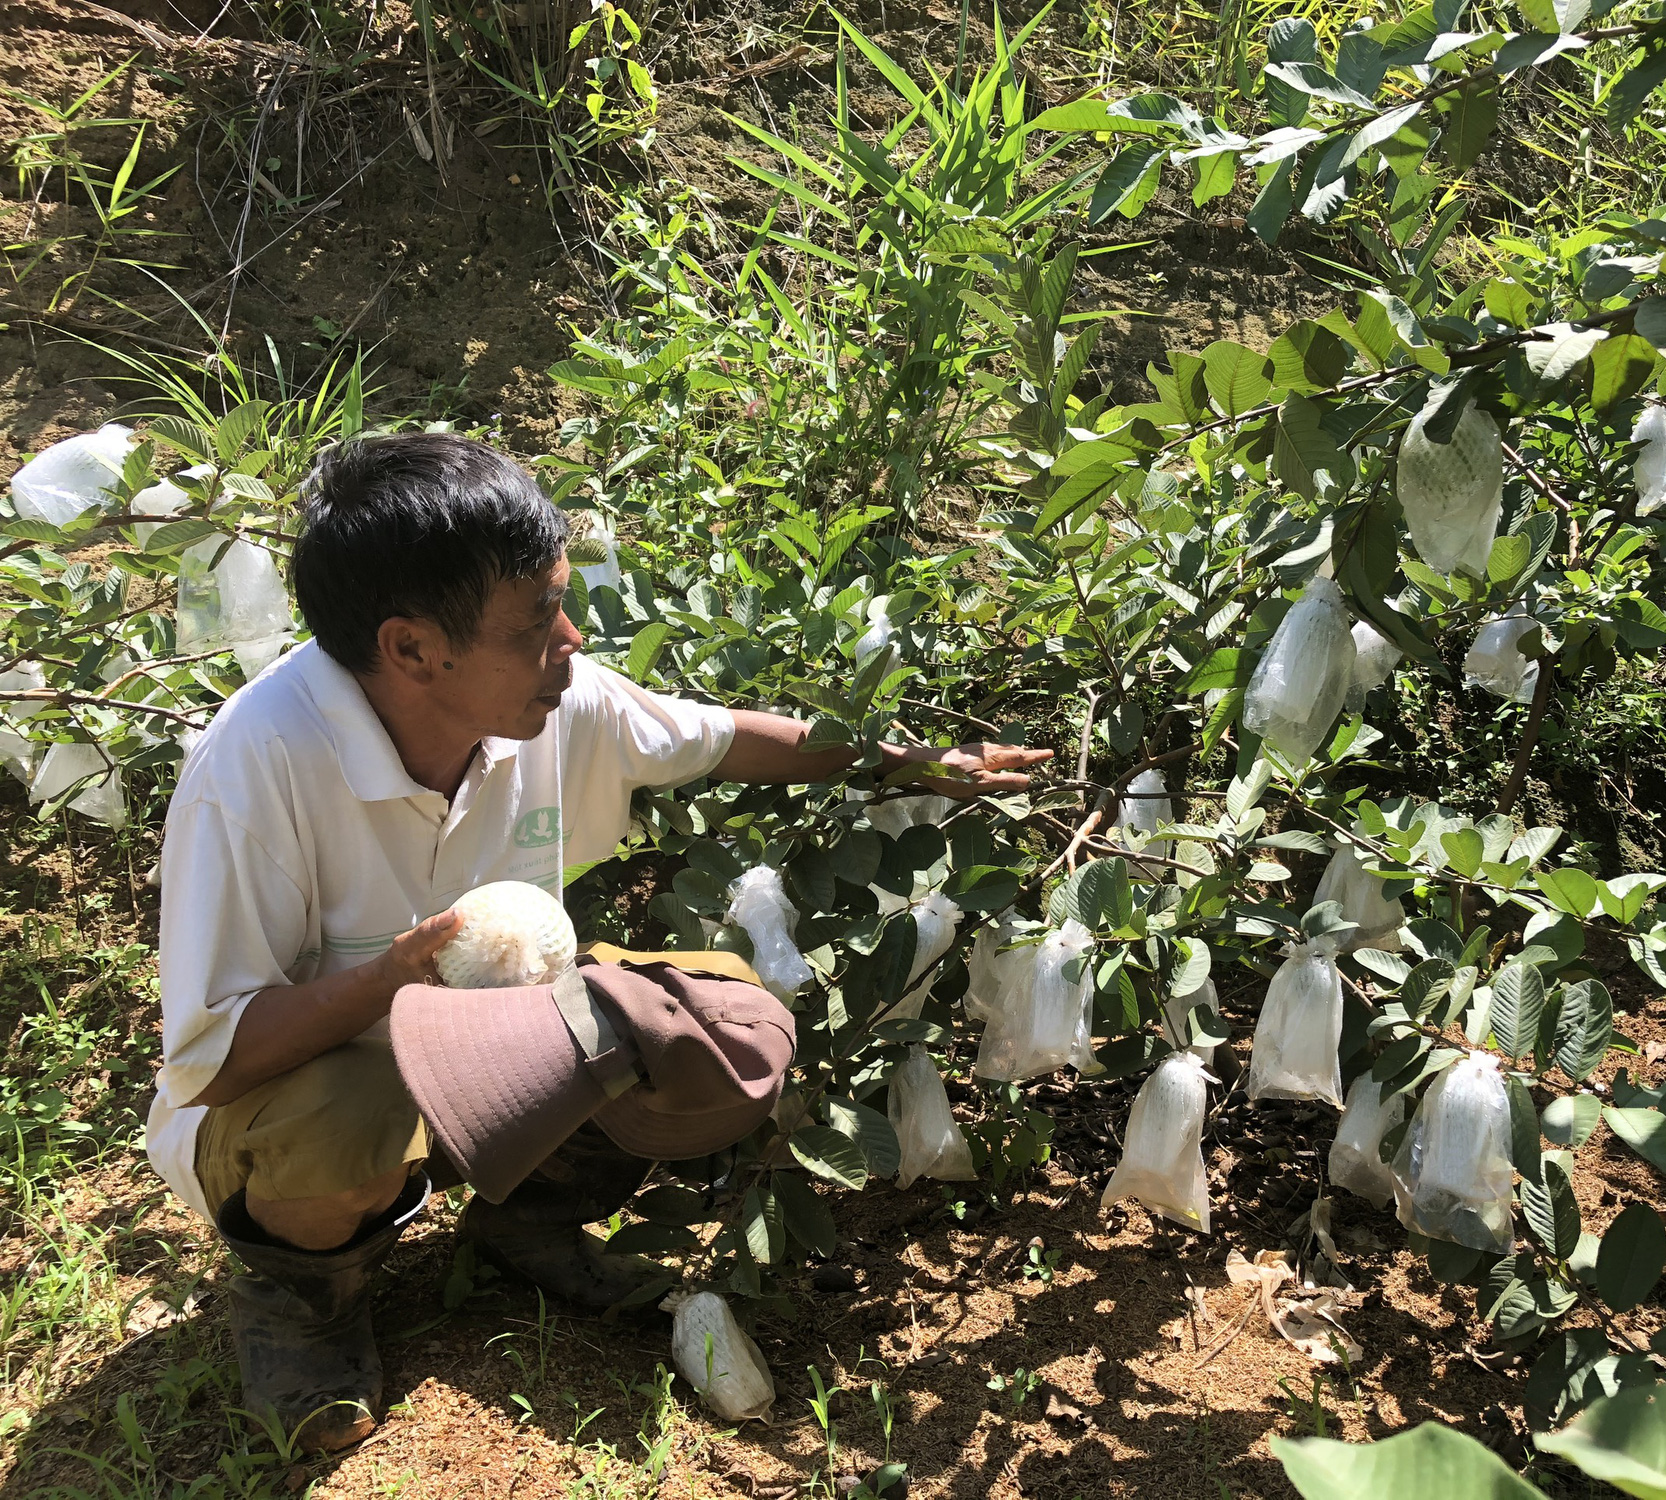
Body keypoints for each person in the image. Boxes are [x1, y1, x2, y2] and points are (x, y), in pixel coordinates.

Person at [147, 433, 1049, 1451]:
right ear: (410, 649)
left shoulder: (550, 700)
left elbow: (720, 740)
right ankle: (301, 1299)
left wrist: (909, 763)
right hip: (317, 1099)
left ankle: (519, 1221)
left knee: (713, 1022)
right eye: (536, 620)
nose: (571, 639)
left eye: (561, 602)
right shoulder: (256, 768)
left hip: (486, 1062)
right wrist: (390, 977)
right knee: (331, 1130)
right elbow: (215, 1061)